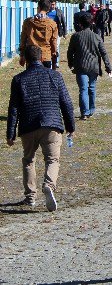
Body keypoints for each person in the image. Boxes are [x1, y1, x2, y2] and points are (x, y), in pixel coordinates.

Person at [6, 45, 75, 211]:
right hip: (52, 124)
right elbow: (66, 102)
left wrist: (10, 133)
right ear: (42, 58)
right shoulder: (55, 76)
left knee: (28, 160)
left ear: (25, 60)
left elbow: (13, 108)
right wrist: (70, 125)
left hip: (28, 125)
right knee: (52, 159)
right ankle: (49, 185)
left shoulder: (18, 79)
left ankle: (30, 196)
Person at [66, 14, 112, 120]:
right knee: (92, 88)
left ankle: (84, 112)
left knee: (83, 89)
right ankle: (91, 110)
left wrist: (71, 63)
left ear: (80, 24)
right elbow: (103, 53)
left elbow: (70, 52)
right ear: (92, 23)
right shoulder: (97, 37)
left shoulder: (76, 36)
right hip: (93, 66)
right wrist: (108, 67)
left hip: (81, 66)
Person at [19, 0, 59, 69]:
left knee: (32, 79)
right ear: (48, 9)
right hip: (46, 56)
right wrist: (54, 59)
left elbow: (23, 40)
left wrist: (22, 55)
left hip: (31, 56)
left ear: (38, 7)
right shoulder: (52, 24)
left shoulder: (27, 22)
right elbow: (54, 42)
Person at [47, 0, 67, 68]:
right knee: (49, 46)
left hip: (58, 31)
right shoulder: (47, 12)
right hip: (48, 32)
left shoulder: (59, 12)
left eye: (53, 5)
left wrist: (65, 32)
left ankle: (56, 62)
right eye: (51, 4)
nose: (52, 6)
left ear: (55, 5)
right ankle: (50, 61)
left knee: (56, 46)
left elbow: (63, 22)